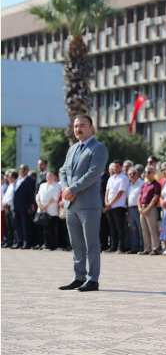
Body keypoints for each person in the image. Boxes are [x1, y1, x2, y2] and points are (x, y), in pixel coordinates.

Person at [58, 115, 109, 292]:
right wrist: (66, 190)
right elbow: (63, 171)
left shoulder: (99, 149)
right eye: (76, 126)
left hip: (89, 205)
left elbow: (93, 175)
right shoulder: (72, 149)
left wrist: (71, 190)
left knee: (91, 243)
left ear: (91, 128)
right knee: (77, 244)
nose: (78, 129)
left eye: (82, 125)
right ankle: (79, 277)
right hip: (71, 205)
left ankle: (93, 279)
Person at [104, 160, 129, 253]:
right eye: (114, 167)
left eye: (117, 166)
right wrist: (106, 202)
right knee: (112, 227)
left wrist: (110, 202)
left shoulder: (123, 178)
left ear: (121, 167)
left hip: (119, 206)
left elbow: (120, 191)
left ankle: (121, 247)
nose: (115, 168)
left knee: (120, 227)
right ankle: (113, 246)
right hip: (110, 206)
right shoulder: (111, 178)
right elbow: (107, 191)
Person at [36, 170, 62, 250]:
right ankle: (44, 243)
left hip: (51, 210)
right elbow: (38, 196)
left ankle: (51, 244)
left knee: (51, 228)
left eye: (51, 175)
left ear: (55, 177)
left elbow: (56, 197)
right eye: (47, 175)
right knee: (43, 228)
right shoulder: (42, 185)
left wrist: (46, 205)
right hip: (42, 210)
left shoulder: (57, 185)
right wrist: (39, 204)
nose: (49, 177)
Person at [138, 166, 161, 255]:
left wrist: (147, 209)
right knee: (144, 229)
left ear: (154, 173)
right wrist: (140, 208)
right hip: (142, 208)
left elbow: (155, 198)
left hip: (151, 208)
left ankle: (155, 248)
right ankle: (147, 248)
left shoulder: (156, 184)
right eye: (146, 172)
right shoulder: (144, 184)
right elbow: (139, 197)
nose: (147, 174)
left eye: (149, 172)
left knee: (153, 229)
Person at [13, 164, 36, 249]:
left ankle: (27, 242)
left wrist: (30, 205)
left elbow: (31, 194)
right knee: (17, 225)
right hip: (16, 207)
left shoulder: (30, 180)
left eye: (24, 169)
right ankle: (19, 241)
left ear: (27, 170)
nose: (22, 170)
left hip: (25, 207)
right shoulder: (17, 180)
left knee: (25, 226)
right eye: (21, 169)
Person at [126, 166, 144, 254]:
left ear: (138, 174)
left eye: (134, 173)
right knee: (132, 229)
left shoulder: (141, 183)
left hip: (139, 208)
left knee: (140, 228)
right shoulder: (129, 185)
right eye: (130, 174)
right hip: (131, 209)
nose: (132, 175)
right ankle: (134, 247)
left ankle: (142, 247)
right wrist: (128, 213)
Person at [2, 170, 17, 248]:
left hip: (11, 207)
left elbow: (12, 197)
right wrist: (4, 203)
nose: (8, 178)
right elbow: (6, 196)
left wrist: (8, 204)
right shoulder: (9, 185)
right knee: (8, 226)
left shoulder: (15, 185)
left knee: (13, 226)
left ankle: (14, 241)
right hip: (7, 207)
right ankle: (9, 241)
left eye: (10, 177)